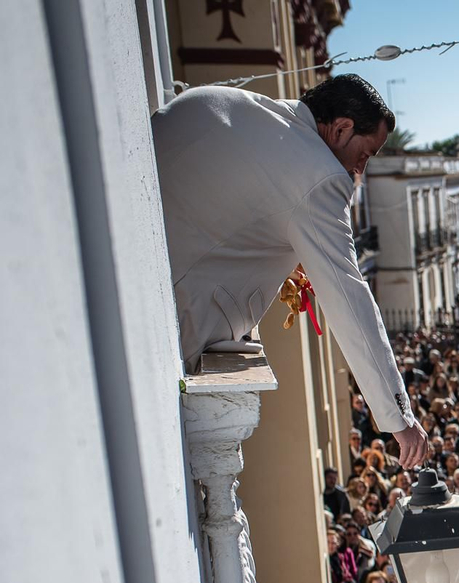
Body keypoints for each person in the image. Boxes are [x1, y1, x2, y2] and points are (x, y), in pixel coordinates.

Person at [150, 76, 426, 466]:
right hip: (173, 326)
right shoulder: (321, 177)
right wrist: (399, 417)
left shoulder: (217, 98)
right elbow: (349, 297)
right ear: (342, 128)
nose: (361, 168)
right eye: (366, 153)